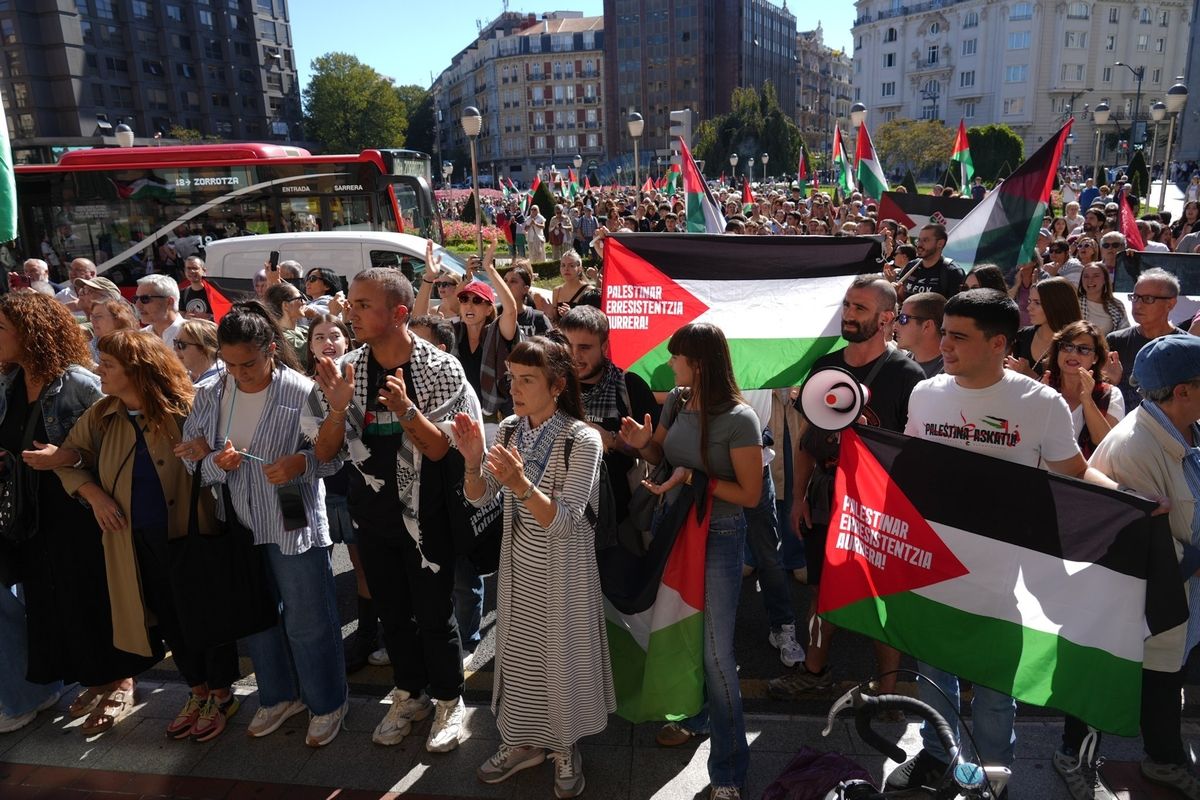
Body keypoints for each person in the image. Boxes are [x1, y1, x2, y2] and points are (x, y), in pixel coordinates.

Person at [888, 289, 1121, 798]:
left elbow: (1076, 472)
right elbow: (909, 465)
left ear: (998, 342)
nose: (943, 345)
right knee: (935, 680)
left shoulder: (1040, 403)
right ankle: (937, 757)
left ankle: (993, 778)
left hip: (1004, 580)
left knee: (995, 694)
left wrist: (1133, 504)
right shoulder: (926, 393)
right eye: (943, 332)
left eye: (958, 336)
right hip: (934, 567)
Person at [314, 266, 477, 753]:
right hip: (372, 518)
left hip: (426, 519)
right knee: (392, 615)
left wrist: (406, 410)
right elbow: (324, 454)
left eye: (364, 305)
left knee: (434, 613)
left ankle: (449, 699)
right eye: (352, 302)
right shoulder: (350, 367)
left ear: (400, 312)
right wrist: (339, 407)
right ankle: (410, 694)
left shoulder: (439, 366)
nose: (350, 311)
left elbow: (438, 450)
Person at [51, 330, 241, 741]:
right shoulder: (102, 413)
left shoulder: (187, 408)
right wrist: (96, 497)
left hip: (194, 536)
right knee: (170, 619)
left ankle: (222, 695)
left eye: (109, 365)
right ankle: (198, 691)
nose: (98, 370)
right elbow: (67, 461)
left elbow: (223, 457)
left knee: (205, 615)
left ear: (137, 371)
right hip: (134, 543)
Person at [180, 302, 348, 747]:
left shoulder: (301, 391)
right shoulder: (212, 390)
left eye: (248, 363)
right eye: (230, 364)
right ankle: (277, 696)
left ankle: (327, 702)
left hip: (291, 509)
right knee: (256, 615)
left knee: (308, 617)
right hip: (237, 518)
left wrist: (301, 462)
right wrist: (215, 460)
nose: (239, 373)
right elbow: (191, 457)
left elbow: (332, 460)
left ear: (271, 349)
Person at [454, 337, 613, 799]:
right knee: (521, 656)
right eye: (512, 378)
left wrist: (521, 483)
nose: (515, 389)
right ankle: (523, 741)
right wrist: (470, 463)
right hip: (519, 562)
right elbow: (480, 497)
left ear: (558, 385)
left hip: (566, 569)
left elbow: (564, 522)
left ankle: (565, 748)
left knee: (562, 660)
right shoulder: (507, 429)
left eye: (527, 380)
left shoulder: (581, 438)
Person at [619, 322, 765, 800]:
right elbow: (661, 452)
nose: (670, 362)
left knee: (717, 653)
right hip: (674, 527)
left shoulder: (740, 419)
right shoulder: (679, 400)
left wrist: (692, 479)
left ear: (697, 362)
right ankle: (697, 715)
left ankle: (728, 770)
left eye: (677, 356)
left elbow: (749, 494)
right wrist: (645, 442)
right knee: (683, 629)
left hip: (718, 535)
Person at [0, 292, 156, 736]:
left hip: (81, 510)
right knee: (53, 600)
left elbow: (119, 449)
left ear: (29, 335)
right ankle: (96, 677)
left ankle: (122, 678)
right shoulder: (9, 383)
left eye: (1, 329)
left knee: (94, 594)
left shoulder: (78, 383)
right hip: (28, 515)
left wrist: (65, 460)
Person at [768, 276, 924, 704]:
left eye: (860, 308)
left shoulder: (908, 376)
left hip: (878, 504)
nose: (849, 315)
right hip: (824, 494)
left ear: (887, 317)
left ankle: (889, 691)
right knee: (821, 589)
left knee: (879, 597)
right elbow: (806, 440)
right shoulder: (825, 367)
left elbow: (914, 454)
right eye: (848, 306)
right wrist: (799, 496)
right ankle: (814, 669)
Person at [1059, 335, 1200, 800]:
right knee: (1107, 680)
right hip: (1141, 596)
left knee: (1164, 682)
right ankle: (1069, 757)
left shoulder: (1188, 428)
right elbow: (1143, 547)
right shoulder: (1135, 448)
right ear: (1182, 391)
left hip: (1179, 596)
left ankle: (1164, 760)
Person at [415, 238, 519, 437]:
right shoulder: (452, 329)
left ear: (489, 308)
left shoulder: (497, 332)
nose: (469, 305)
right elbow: (418, 323)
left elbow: (511, 310)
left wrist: (489, 268)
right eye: (464, 299)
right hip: (455, 418)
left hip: (492, 422)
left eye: (477, 301)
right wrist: (429, 278)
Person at [1106, 268, 1188, 411]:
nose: (1137, 305)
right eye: (1135, 297)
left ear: (1170, 304)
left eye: (1148, 299)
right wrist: (1111, 382)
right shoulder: (1116, 341)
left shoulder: (1188, 348)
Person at [1042, 321, 1124, 458]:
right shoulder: (1042, 386)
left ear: (1095, 358)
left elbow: (1105, 443)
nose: (1073, 354)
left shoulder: (1111, 395)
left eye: (1084, 349)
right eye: (1067, 346)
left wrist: (1087, 401)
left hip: (1084, 476)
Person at [1006, 277, 1081, 379]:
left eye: (1037, 303)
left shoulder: (1077, 343)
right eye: (1029, 301)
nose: (1029, 308)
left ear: (1057, 305)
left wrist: (1030, 375)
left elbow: (1071, 388)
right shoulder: (1023, 336)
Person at [897, 223, 963, 300]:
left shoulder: (952, 272)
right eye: (919, 240)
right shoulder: (911, 266)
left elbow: (956, 308)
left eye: (925, 240)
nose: (919, 245)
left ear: (940, 243)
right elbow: (901, 298)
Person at [895, 291, 946, 377]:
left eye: (903, 319)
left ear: (927, 326)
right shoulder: (901, 363)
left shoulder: (951, 374)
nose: (895, 326)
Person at [1077, 262, 1130, 337]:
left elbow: (1124, 333)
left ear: (1105, 280)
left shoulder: (1116, 305)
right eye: (1086, 276)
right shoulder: (1074, 304)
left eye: (1096, 276)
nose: (1090, 280)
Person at [264, 283, 310, 369]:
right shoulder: (279, 338)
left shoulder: (305, 329)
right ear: (286, 305)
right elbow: (316, 349)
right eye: (300, 299)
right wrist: (332, 316)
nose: (304, 302)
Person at [135, 274, 184, 349]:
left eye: (145, 299)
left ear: (169, 302)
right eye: (136, 299)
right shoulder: (140, 338)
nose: (137, 305)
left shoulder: (194, 336)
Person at [503, 263, 551, 338]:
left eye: (513, 281)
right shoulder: (495, 314)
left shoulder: (538, 318)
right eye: (505, 281)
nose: (507, 285)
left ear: (525, 289)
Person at [87, 298, 139, 364]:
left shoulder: (133, 347)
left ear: (118, 319)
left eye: (98, 316)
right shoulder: (89, 348)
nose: (92, 320)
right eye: (92, 316)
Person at [174, 319, 221, 384]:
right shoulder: (179, 380)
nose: (175, 348)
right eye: (175, 342)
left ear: (204, 348)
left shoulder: (221, 382)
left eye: (181, 344)